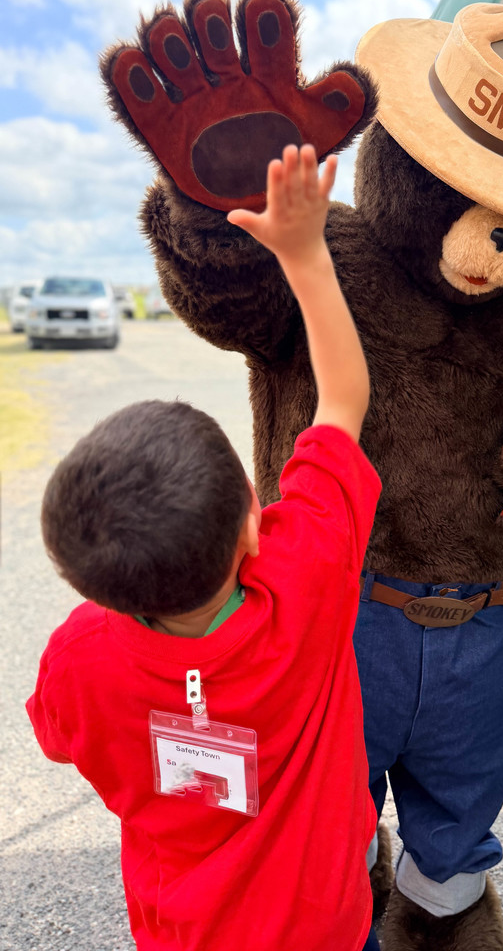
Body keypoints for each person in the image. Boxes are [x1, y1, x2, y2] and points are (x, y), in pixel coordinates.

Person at [26, 145, 382, 951]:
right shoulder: (305, 574)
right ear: (255, 519)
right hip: (326, 925)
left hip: (182, 932)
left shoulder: (78, 658)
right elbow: (343, 400)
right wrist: (304, 253)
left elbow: (58, 736)